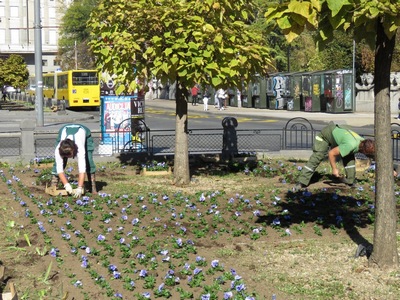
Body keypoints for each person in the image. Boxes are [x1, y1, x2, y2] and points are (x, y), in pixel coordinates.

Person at [293, 122, 375, 191]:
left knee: (349, 158)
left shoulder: (361, 141)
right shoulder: (350, 145)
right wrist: (334, 169)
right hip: (325, 135)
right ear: (363, 150)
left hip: (341, 136)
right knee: (317, 156)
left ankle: (350, 182)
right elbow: (331, 153)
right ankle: (301, 182)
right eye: (367, 154)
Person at [51, 124, 97, 197]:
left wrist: (79, 188)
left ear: (74, 150)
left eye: (69, 156)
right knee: (57, 164)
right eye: (65, 156)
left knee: (88, 161)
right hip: (64, 129)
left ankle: (92, 186)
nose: (68, 158)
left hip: (83, 130)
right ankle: (53, 186)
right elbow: (59, 169)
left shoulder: (80, 148)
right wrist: (66, 185)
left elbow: (82, 169)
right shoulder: (58, 150)